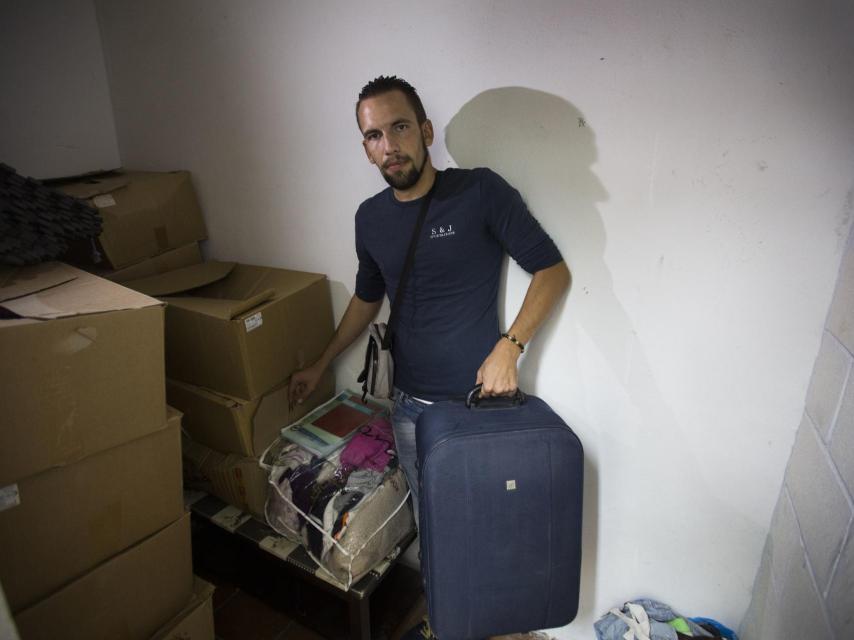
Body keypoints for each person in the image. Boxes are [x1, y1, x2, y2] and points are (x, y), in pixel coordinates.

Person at [289, 74, 569, 515]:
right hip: (407, 410)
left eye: (399, 127)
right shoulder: (370, 219)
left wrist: (509, 347)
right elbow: (367, 299)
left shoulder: (478, 191)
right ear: (366, 149)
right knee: (432, 527)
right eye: (374, 136)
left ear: (425, 131)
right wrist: (321, 364)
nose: (389, 146)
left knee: (484, 525)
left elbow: (552, 271)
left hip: (475, 405)